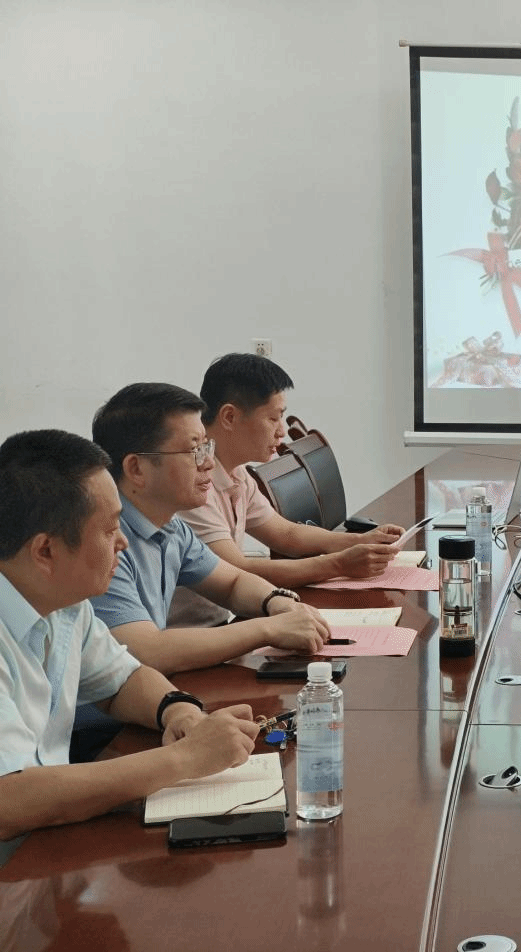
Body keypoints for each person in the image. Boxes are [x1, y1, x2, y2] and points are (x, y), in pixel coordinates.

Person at [0, 430, 259, 867]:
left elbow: (122, 680)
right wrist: (183, 759)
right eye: (109, 529)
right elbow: (10, 799)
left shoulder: (66, 604)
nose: (123, 542)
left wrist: (179, 712)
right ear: (45, 550)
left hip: (53, 849)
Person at [89, 382, 331, 676]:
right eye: (194, 450)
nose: (208, 463)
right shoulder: (102, 542)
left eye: (207, 447)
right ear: (136, 469)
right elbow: (147, 652)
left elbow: (233, 583)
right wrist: (269, 629)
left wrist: (278, 603)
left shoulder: (172, 526)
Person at [170, 353, 403, 626]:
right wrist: (338, 564)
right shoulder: (195, 485)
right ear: (230, 417)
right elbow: (237, 570)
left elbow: (286, 534)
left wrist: (360, 541)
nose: (281, 432)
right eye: (273, 419)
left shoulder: (237, 472)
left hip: (219, 625)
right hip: (191, 633)